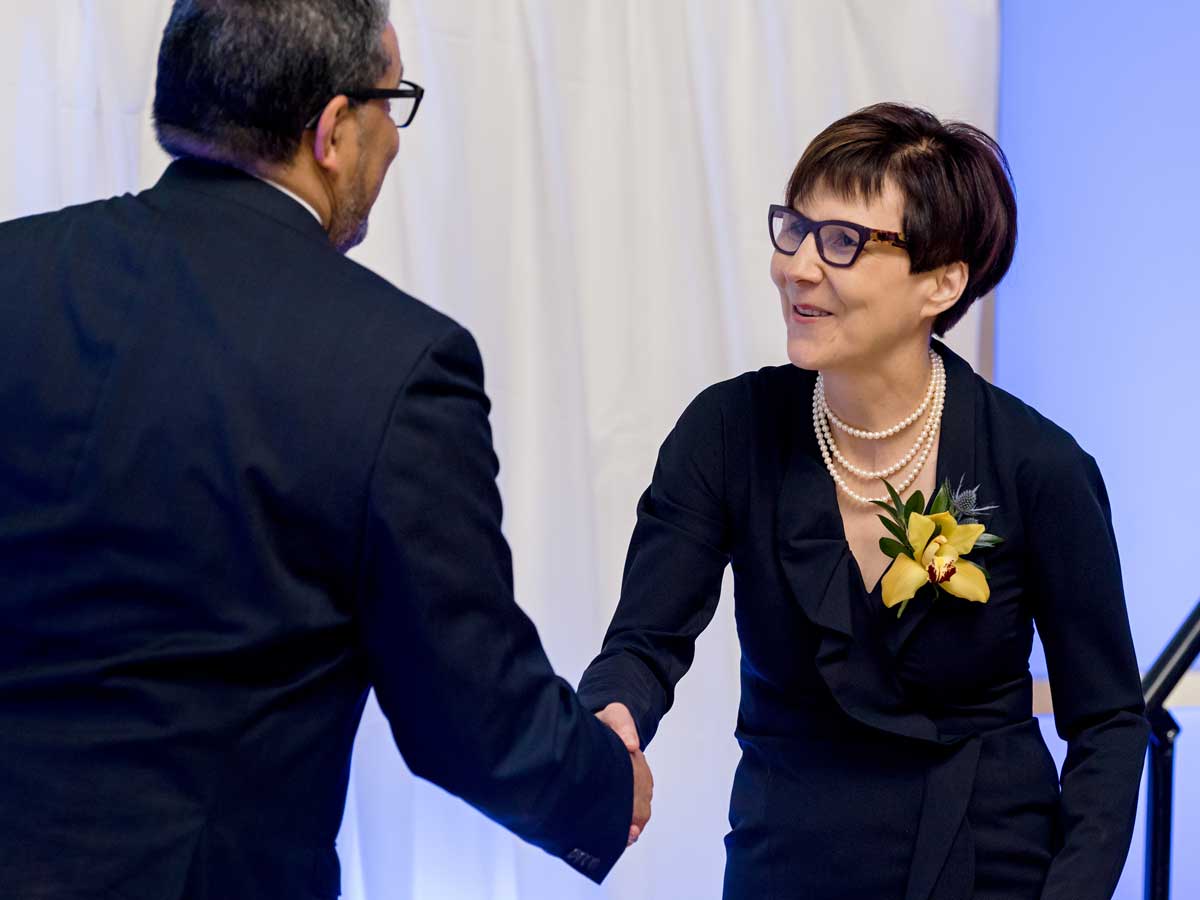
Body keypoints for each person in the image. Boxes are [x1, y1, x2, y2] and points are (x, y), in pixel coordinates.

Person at [0, 2, 650, 897]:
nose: (396, 139)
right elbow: (469, 714)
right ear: (334, 130)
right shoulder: (395, 362)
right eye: (394, 102)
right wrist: (606, 786)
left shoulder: (16, 273)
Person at [578, 102, 1148, 900]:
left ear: (943, 281)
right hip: (787, 862)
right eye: (794, 228)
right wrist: (611, 720)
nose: (797, 267)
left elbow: (1110, 724)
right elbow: (644, 642)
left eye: (842, 241)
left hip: (985, 865)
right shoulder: (727, 433)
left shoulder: (1038, 466)